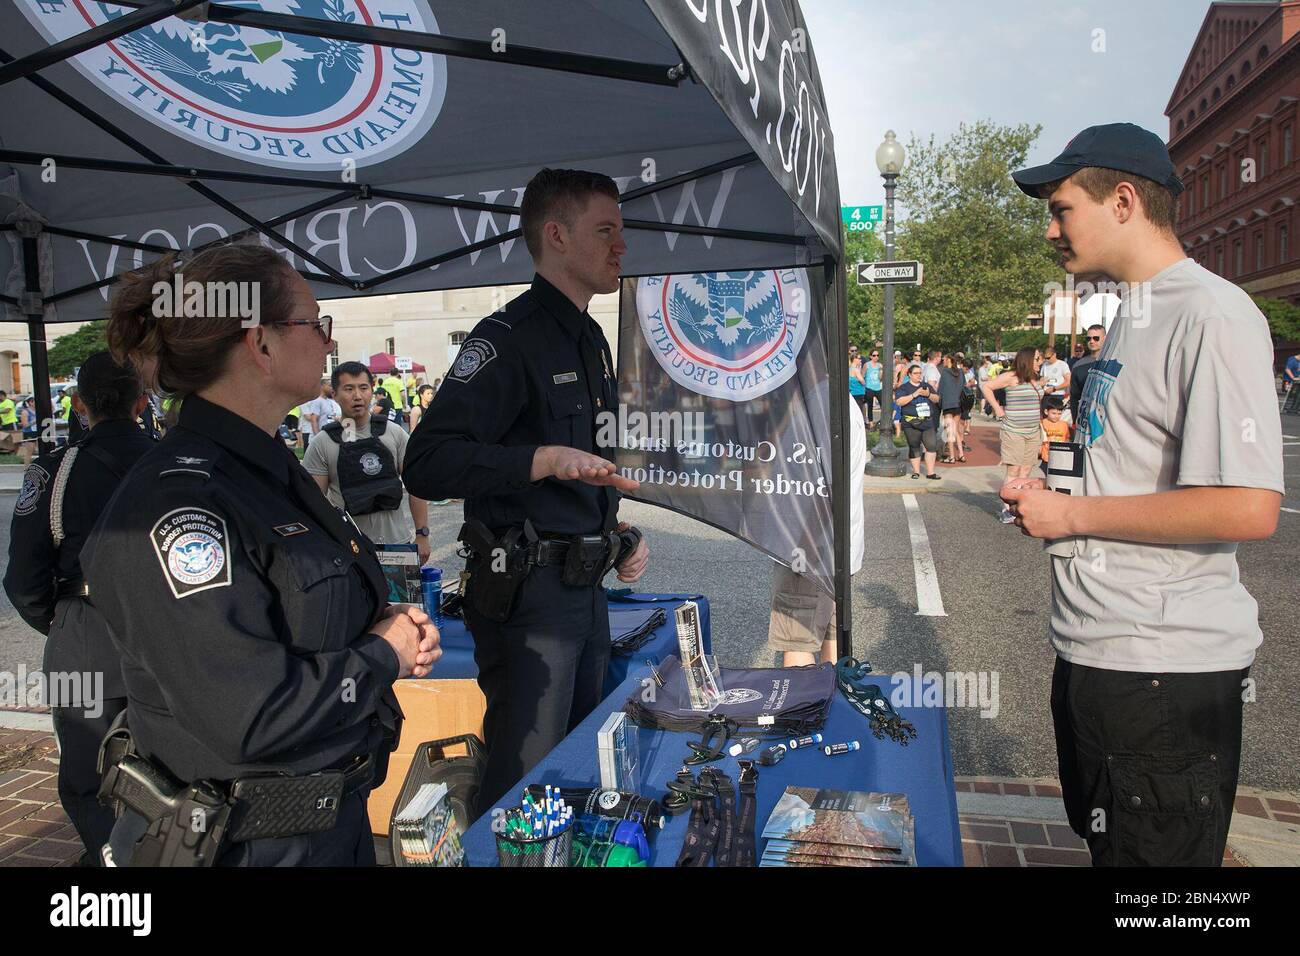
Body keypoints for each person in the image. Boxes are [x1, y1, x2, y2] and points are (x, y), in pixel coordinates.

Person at [81, 243, 440, 867]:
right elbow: (250, 711)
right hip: (250, 845)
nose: (328, 344)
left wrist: (388, 629)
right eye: (314, 323)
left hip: (327, 826)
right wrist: (384, 654)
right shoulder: (177, 505)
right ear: (261, 343)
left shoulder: (268, 469)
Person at [1004, 122, 1283, 867]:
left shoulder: (1212, 315)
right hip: (1100, 651)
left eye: (1062, 208)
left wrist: (1073, 513)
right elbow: (1129, 462)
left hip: (1161, 671)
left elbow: (1248, 504)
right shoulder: (1134, 312)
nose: (1051, 229)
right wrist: (1050, 489)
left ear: (1122, 200)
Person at [402, 168, 649, 819]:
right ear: (558, 236)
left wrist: (619, 536)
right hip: (529, 603)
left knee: (577, 774)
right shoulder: (505, 341)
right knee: (525, 792)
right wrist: (535, 460)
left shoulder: (592, 339)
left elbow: (586, 476)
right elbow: (427, 463)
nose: (621, 246)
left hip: (585, 595)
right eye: (606, 231)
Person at [3, 353, 156, 865]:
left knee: (88, 783)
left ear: (79, 404)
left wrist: (62, 622)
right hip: (170, 635)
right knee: (169, 768)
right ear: (141, 400)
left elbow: (23, 578)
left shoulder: (54, 471)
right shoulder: (172, 461)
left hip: (84, 637)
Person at [302, 361, 431, 566]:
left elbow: (417, 487)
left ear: (372, 390)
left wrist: (422, 534)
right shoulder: (322, 443)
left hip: (397, 547)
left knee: (403, 600)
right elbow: (313, 502)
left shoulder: (394, 433)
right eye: (349, 389)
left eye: (363, 388)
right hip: (349, 551)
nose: (357, 396)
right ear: (334, 395)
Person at [768, 397, 866, 666]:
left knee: (798, 646)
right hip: (832, 547)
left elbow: (821, 485)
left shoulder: (818, 405)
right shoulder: (837, 399)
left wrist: (801, 542)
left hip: (808, 547)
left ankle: (802, 709)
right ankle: (828, 705)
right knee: (830, 642)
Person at [982, 346, 1044, 523]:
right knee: (1014, 469)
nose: (1040, 362)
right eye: (1037, 359)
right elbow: (987, 387)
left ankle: (1019, 506)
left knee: (1026, 469)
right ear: (1028, 359)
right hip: (1014, 431)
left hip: (1032, 431)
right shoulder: (1011, 377)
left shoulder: (1034, 379)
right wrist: (998, 410)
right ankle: (1007, 509)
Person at [896, 364, 941, 480]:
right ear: (910, 375)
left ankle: (930, 472)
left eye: (920, 373)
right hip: (911, 422)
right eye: (916, 373)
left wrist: (929, 394)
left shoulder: (926, 386)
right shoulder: (904, 388)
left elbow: (937, 399)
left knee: (931, 445)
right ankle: (916, 472)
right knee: (914, 446)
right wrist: (914, 394)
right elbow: (899, 402)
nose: (919, 375)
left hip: (927, 421)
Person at [1069, 323, 1106, 412]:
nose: (1092, 341)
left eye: (1096, 338)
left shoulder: (1112, 363)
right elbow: (1074, 396)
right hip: (1085, 416)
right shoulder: (1078, 365)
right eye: (1088, 338)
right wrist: (1075, 419)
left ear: (1105, 339)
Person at [937, 355, 965, 464]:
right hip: (958, 403)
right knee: (956, 430)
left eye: (944, 359)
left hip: (948, 404)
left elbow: (941, 389)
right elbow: (963, 385)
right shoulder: (960, 372)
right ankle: (961, 454)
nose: (943, 361)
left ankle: (952, 457)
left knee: (950, 432)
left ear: (948, 360)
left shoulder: (945, 372)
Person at [1039, 394, 1072, 469]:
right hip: (1046, 457)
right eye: (1053, 413)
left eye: (1059, 414)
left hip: (1060, 457)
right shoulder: (1042, 423)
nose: (1056, 416)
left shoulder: (1064, 425)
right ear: (1046, 411)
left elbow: (1067, 439)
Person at [863, 349, 884, 426]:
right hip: (869, 387)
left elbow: (881, 379)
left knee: (883, 405)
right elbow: (862, 375)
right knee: (870, 405)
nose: (876, 357)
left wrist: (881, 372)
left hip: (878, 387)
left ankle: (882, 422)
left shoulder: (880, 365)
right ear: (870, 356)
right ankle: (871, 423)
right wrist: (864, 386)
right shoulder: (867, 365)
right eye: (874, 355)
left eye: (877, 355)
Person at [847, 345, 867, 416]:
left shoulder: (849, 368)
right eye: (859, 359)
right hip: (857, 393)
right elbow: (862, 381)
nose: (860, 360)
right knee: (858, 412)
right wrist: (864, 381)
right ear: (854, 359)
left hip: (852, 393)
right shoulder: (856, 370)